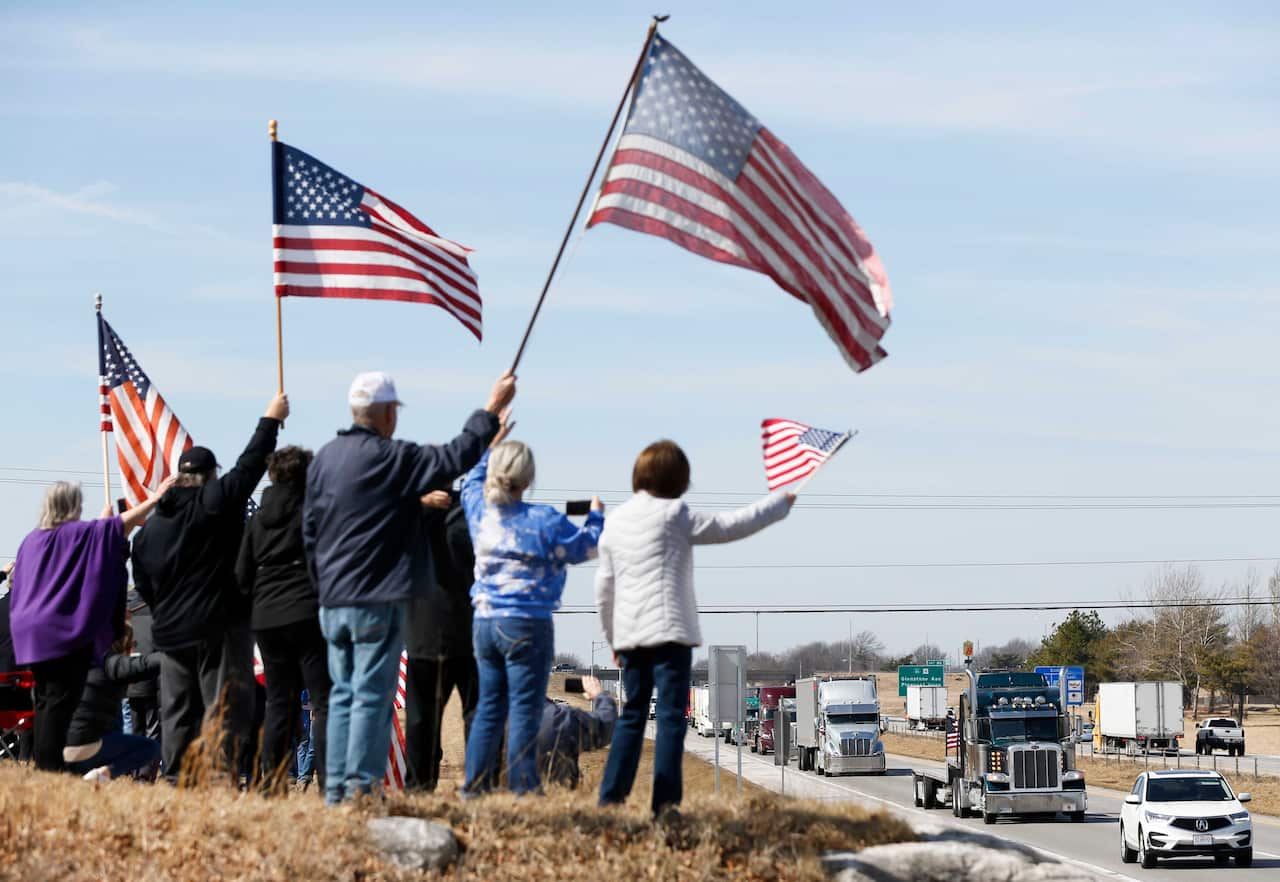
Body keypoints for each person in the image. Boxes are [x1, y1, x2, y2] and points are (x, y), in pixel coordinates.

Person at [304, 370, 515, 806]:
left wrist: (321, 583)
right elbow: (453, 456)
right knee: (371, 699)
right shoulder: (391, 459)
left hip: (332, 598)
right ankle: (361, 792)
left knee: (341, 695)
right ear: (385, 414)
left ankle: (337, 792)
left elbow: (310, 529)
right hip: (375, 598)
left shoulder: (325, 459)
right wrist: (492, 408)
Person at [595, 440, 794, 818]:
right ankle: (665, 805)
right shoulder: (676, 515)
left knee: (632, 716)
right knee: (671, 718)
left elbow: (603, 590)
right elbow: (731, 526)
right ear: (680, 479)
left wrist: (612, 638)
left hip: (631, 636)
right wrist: (779, 505)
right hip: (671, 634)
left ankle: (610, 800)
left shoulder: (614, 522)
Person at [132, 392, 289, 783]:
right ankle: (219, 777)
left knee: (178, 711)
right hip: (217, 627)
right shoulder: (214, 502)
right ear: (210, 475)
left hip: (170, 633)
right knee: (223, 706)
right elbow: (251, 465)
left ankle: (177, 780)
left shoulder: (149, 530)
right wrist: (270, 420)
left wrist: (166, 608)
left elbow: (144, 582)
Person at [459, 435, 604, 797]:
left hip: (484, 622)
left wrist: (489, 446)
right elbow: (587, 546)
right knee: (525, 706)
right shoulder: (543, 520)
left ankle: (474, 788)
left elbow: (471, 484)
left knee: (489, 706)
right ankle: (524, 787)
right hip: (527, 622)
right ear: (528, 480)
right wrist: (596, 515)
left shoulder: (479, 512)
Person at [10, 478, 170, 771]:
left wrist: (101, 524)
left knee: (45, 701)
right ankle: (51, 769)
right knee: (61, 701)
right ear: (73, 506)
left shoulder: (32, 540)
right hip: (62, 635)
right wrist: (155, 498)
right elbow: (122, 524)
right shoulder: (78, 532)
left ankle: (47, 766)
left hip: (30, 634)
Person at [235, 444, 331, 793]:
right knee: (322, 702)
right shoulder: (313, 511)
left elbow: (242, 574)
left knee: (279, 702)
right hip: (306, 611)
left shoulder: (258, 519)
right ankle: (328, 785)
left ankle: (269, 784)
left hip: (267, 618)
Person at [404, 489, 480, 792]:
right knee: (477, 716)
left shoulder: (407, 523)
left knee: (421, 720)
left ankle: (418, 787)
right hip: (470, 630)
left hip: (422, 631)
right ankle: (480, 784)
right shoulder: (473, 519)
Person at [63, 627, 162, 781]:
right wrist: (172, 655)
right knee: (150, 747)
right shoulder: (110, 662)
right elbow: (143, 664)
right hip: (87, 747)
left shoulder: (77, 661)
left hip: (62, 747)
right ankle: (104, 774)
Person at [537, 675, 616, 789]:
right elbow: (606, 724)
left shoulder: (503, 716)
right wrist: (600, 696)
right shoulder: (558, 720)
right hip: (557, 798)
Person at [124, 589, 161, 743]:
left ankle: (131, 764)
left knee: (133, 725)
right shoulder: (156, 611)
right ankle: (148, 764)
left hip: (128, 679)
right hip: (151, 679)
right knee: (152, 728)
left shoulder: (124, 614)